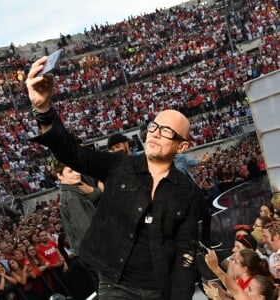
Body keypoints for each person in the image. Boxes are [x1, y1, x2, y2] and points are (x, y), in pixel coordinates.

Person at [26, 58, 203, 300]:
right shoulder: (120, 164)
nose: (154, 134)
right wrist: (44, 111)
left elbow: (186, 252)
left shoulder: (187, 192)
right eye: (154, 126)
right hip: (115, 283)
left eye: (166, 132)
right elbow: (71, 152)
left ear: (181, 146)